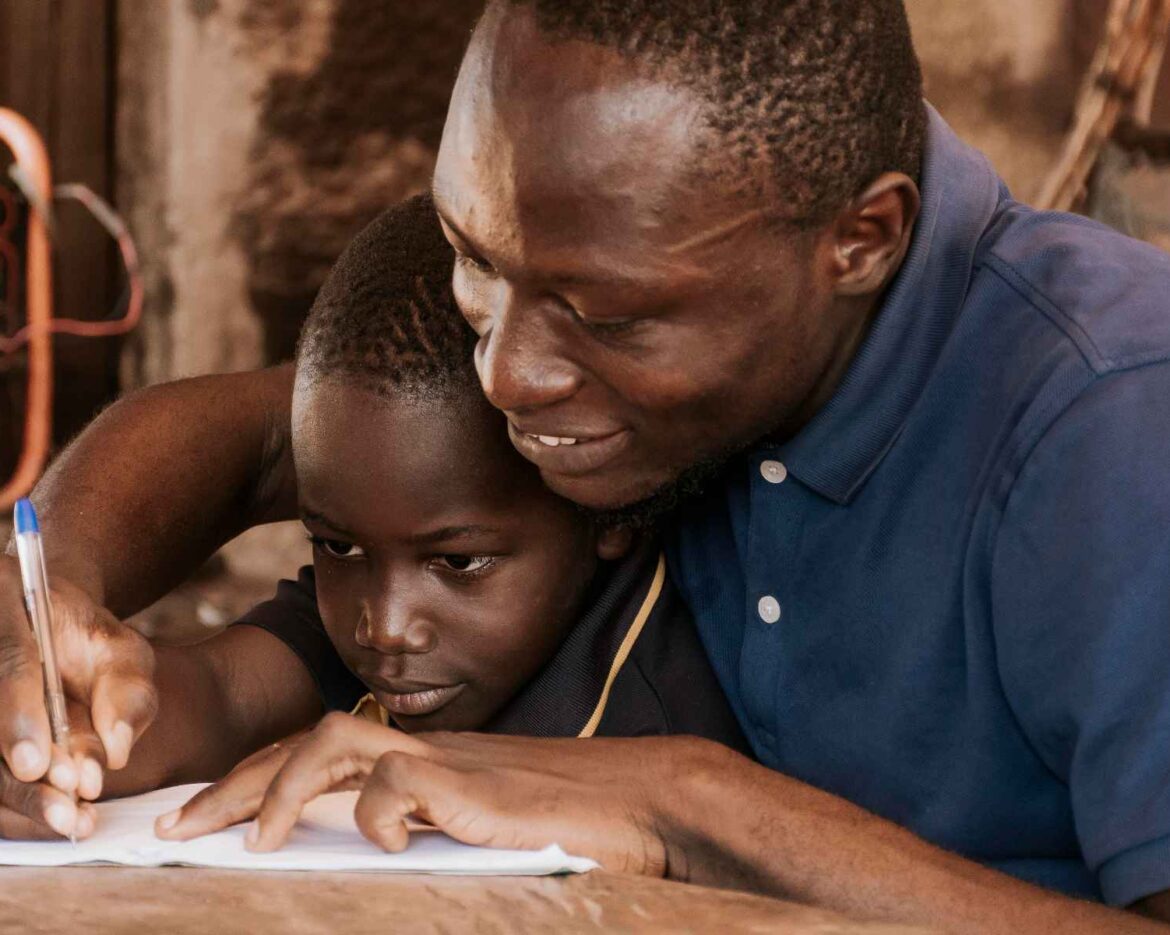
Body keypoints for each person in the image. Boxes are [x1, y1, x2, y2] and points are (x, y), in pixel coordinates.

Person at [1, 0, 1168, 929]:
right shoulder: (624, 310)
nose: (504, 371)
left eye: (604, 315)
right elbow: (270, 433)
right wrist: (59, 606)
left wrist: (684, 799)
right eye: (472, 258)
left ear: (860, 240)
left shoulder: (1110, 426)